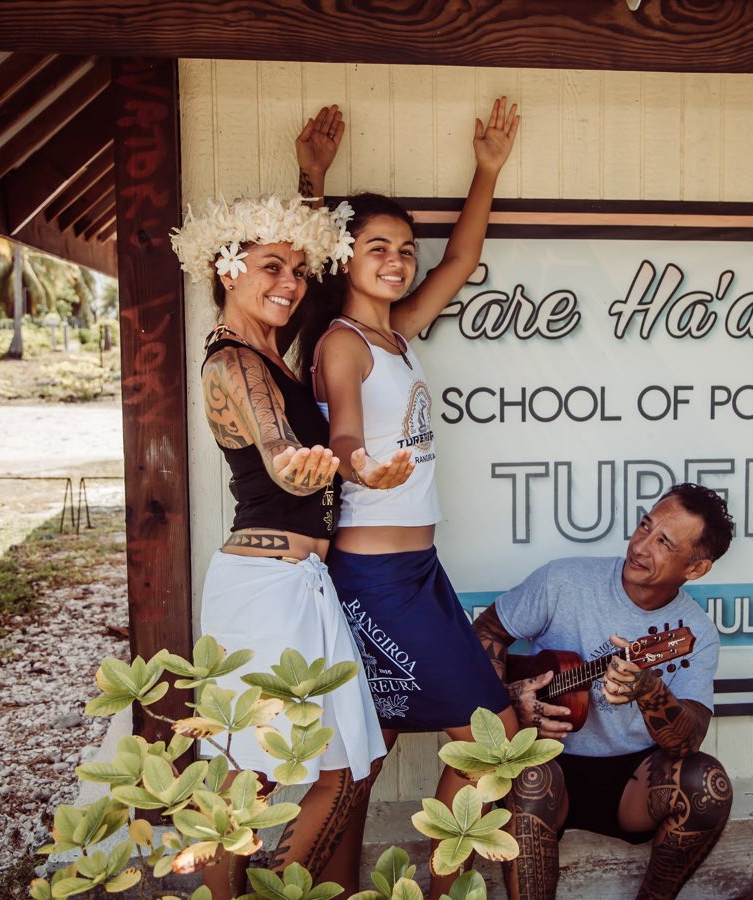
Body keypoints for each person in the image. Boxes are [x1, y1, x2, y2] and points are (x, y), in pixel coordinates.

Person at [297, 96, 522, 895]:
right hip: (378, 581)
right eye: (377, 247)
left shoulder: (395, 333)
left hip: (419, 571)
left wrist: (486, 171)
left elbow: (458, 262)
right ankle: (423, 892)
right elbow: (346, 437)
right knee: (491, 734)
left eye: (404, 249)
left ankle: (344, 887)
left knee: (371, 744)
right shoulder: (342, 345)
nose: (397, 260)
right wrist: (362, 468)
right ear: (344, 257)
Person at [169, 189, 414, 898]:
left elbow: (291, 416)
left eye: (299, 270)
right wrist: (295, 465)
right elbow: (275, 441)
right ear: (226, 270)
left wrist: (312, 176)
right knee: (274, 771)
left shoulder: (269, 349)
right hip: (268, 588)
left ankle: (265, 889)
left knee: (296, 770)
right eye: (271, 266)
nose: (289, 283)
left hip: (292, 584)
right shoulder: (235, 363)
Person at [473, 483, 736, 900]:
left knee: (708, 785)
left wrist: (650, 691)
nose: (640, 546)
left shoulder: (693, 633)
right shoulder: (564, 580)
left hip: (631, 781)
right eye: (644, 526)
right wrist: (507, 701)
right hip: (549, 764)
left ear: (696, 568)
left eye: (664, 542)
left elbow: (689, 738)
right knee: (530, 776)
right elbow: (486, 631)